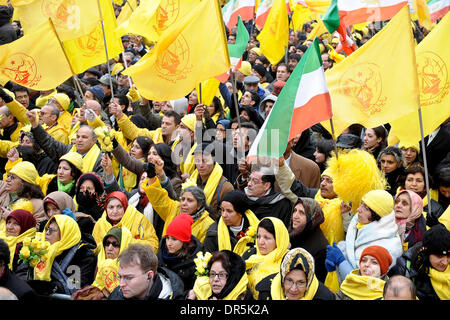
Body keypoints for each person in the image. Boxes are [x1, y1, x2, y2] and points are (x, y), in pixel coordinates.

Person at [327, 190, 403, 275]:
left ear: (377, 215)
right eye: (361, 204)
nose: (358, 209)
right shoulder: (360, 224)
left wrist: (341, 262)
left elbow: (365, 283)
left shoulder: (389, 247)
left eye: (366, 208)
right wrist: (342, 250)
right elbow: (353, 247)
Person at [21, 215, 97, 296]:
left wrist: (49, 286)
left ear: (66, 233)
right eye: (47, 229)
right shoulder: (39, 249)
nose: (47, 233)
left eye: (51, 230)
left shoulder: (83, 254)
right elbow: (23, 272)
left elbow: (75, 286)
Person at [141, 169, 214, 243]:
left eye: (190, 200)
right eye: (183, 199)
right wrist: (151, 177)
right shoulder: (174, 208)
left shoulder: (207, 225)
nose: (184, 203)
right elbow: (158, 199)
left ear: (199, 205)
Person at [27, 110, 104, 176]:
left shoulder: (100, 159)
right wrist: (35, 124)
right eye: (78, 137)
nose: (79, 140)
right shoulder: (68, 150)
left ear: (94, 140)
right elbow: (49, 142)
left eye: (84, 137)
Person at [388, 223, 450, 300]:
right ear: (427, 254)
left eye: (448, 256)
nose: (445, 262)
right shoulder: (406, 268)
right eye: (439, 256)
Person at [72, 226, 134, 300]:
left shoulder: (133, 268)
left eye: (115, 244)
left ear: (124, 246)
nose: (109, 248)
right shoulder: (100, 263)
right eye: (107, 243)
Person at [108, 243, 184, 300]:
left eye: (129, 278)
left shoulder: (171, 296)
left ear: (149, 276)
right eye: (120, 277)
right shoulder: (117, 294)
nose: (121, 284)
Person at [92, 191, 159, 254]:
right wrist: (109, 245)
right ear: (106, 209)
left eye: (119, 207)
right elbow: (93, 249)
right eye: (111, 207)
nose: (115, 211)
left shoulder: (139, 220)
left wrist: (128, 242)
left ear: (125, 207)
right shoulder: (100, 224)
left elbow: (154, 247)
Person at [257, 247, 335, 300]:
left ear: (309, 281)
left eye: (301, 282)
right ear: (282, 277)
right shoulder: (266, 291)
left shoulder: (324, 297)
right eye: (289, 280)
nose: (293, 288)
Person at [182, 143, 234, 219]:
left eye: (205, 161)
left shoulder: (225, 187)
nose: (201, 165)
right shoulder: (190, 181)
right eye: (197, 160)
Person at [245, 217, 290, 299]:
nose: (260, 242)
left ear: (278, 240)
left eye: (267, 238)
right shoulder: (250, 257)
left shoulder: (288, 262)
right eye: (258, 236)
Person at [203, 190, 259, 255]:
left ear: (240, 213)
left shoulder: (256, 228)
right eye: (222, 210)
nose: (223, 215)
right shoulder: (213, 233)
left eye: (229, 211)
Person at [157, 213, 203, 292]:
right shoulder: (161, 252)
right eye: (167, 238)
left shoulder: (197, 262)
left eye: (174, 239)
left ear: (184, 241)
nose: (169, 243)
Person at [288, 198, 329, 282]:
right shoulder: (292, 234)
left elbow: (317, 281)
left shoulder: (320, 248)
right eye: (294, 211)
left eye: (301, 213)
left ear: (312, 217)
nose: (295, 216)